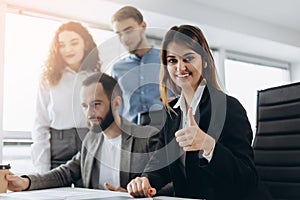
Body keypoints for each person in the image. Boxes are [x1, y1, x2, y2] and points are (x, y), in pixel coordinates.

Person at [126, 25, 272, 200]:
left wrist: (208, 145)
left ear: (204, 61)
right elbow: (159, 165)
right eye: (172, 60)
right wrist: (145, 181)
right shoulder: (171, 113)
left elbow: (247, 178)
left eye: (188, 58)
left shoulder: (229, 107)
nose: (180, 68)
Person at [6, 72, 160, 192]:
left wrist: (139, 193)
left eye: (96, 104)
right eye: (85, 106)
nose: (89, 113)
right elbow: (65, 173)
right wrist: (25, 182)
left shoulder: (146, 137)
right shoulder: (91, 140)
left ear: (116, 103)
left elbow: (170, 183)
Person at [31, 21, 101, 173]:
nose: (67, 49)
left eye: (74, 43)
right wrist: (42, 168)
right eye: (62, 45)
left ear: (86, 44)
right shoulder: (48, 78)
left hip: (89, 141)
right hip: (58, 145)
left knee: (89, 195)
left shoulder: (98, 77)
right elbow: (40, 122)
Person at [111, 6, 174, 123]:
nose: (124, 39)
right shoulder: (117, 69)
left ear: (143, 26)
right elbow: (116, 107)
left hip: (166, 130)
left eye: (128, 31)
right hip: (131, 134)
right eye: (119, 34)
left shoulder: (167, 60)